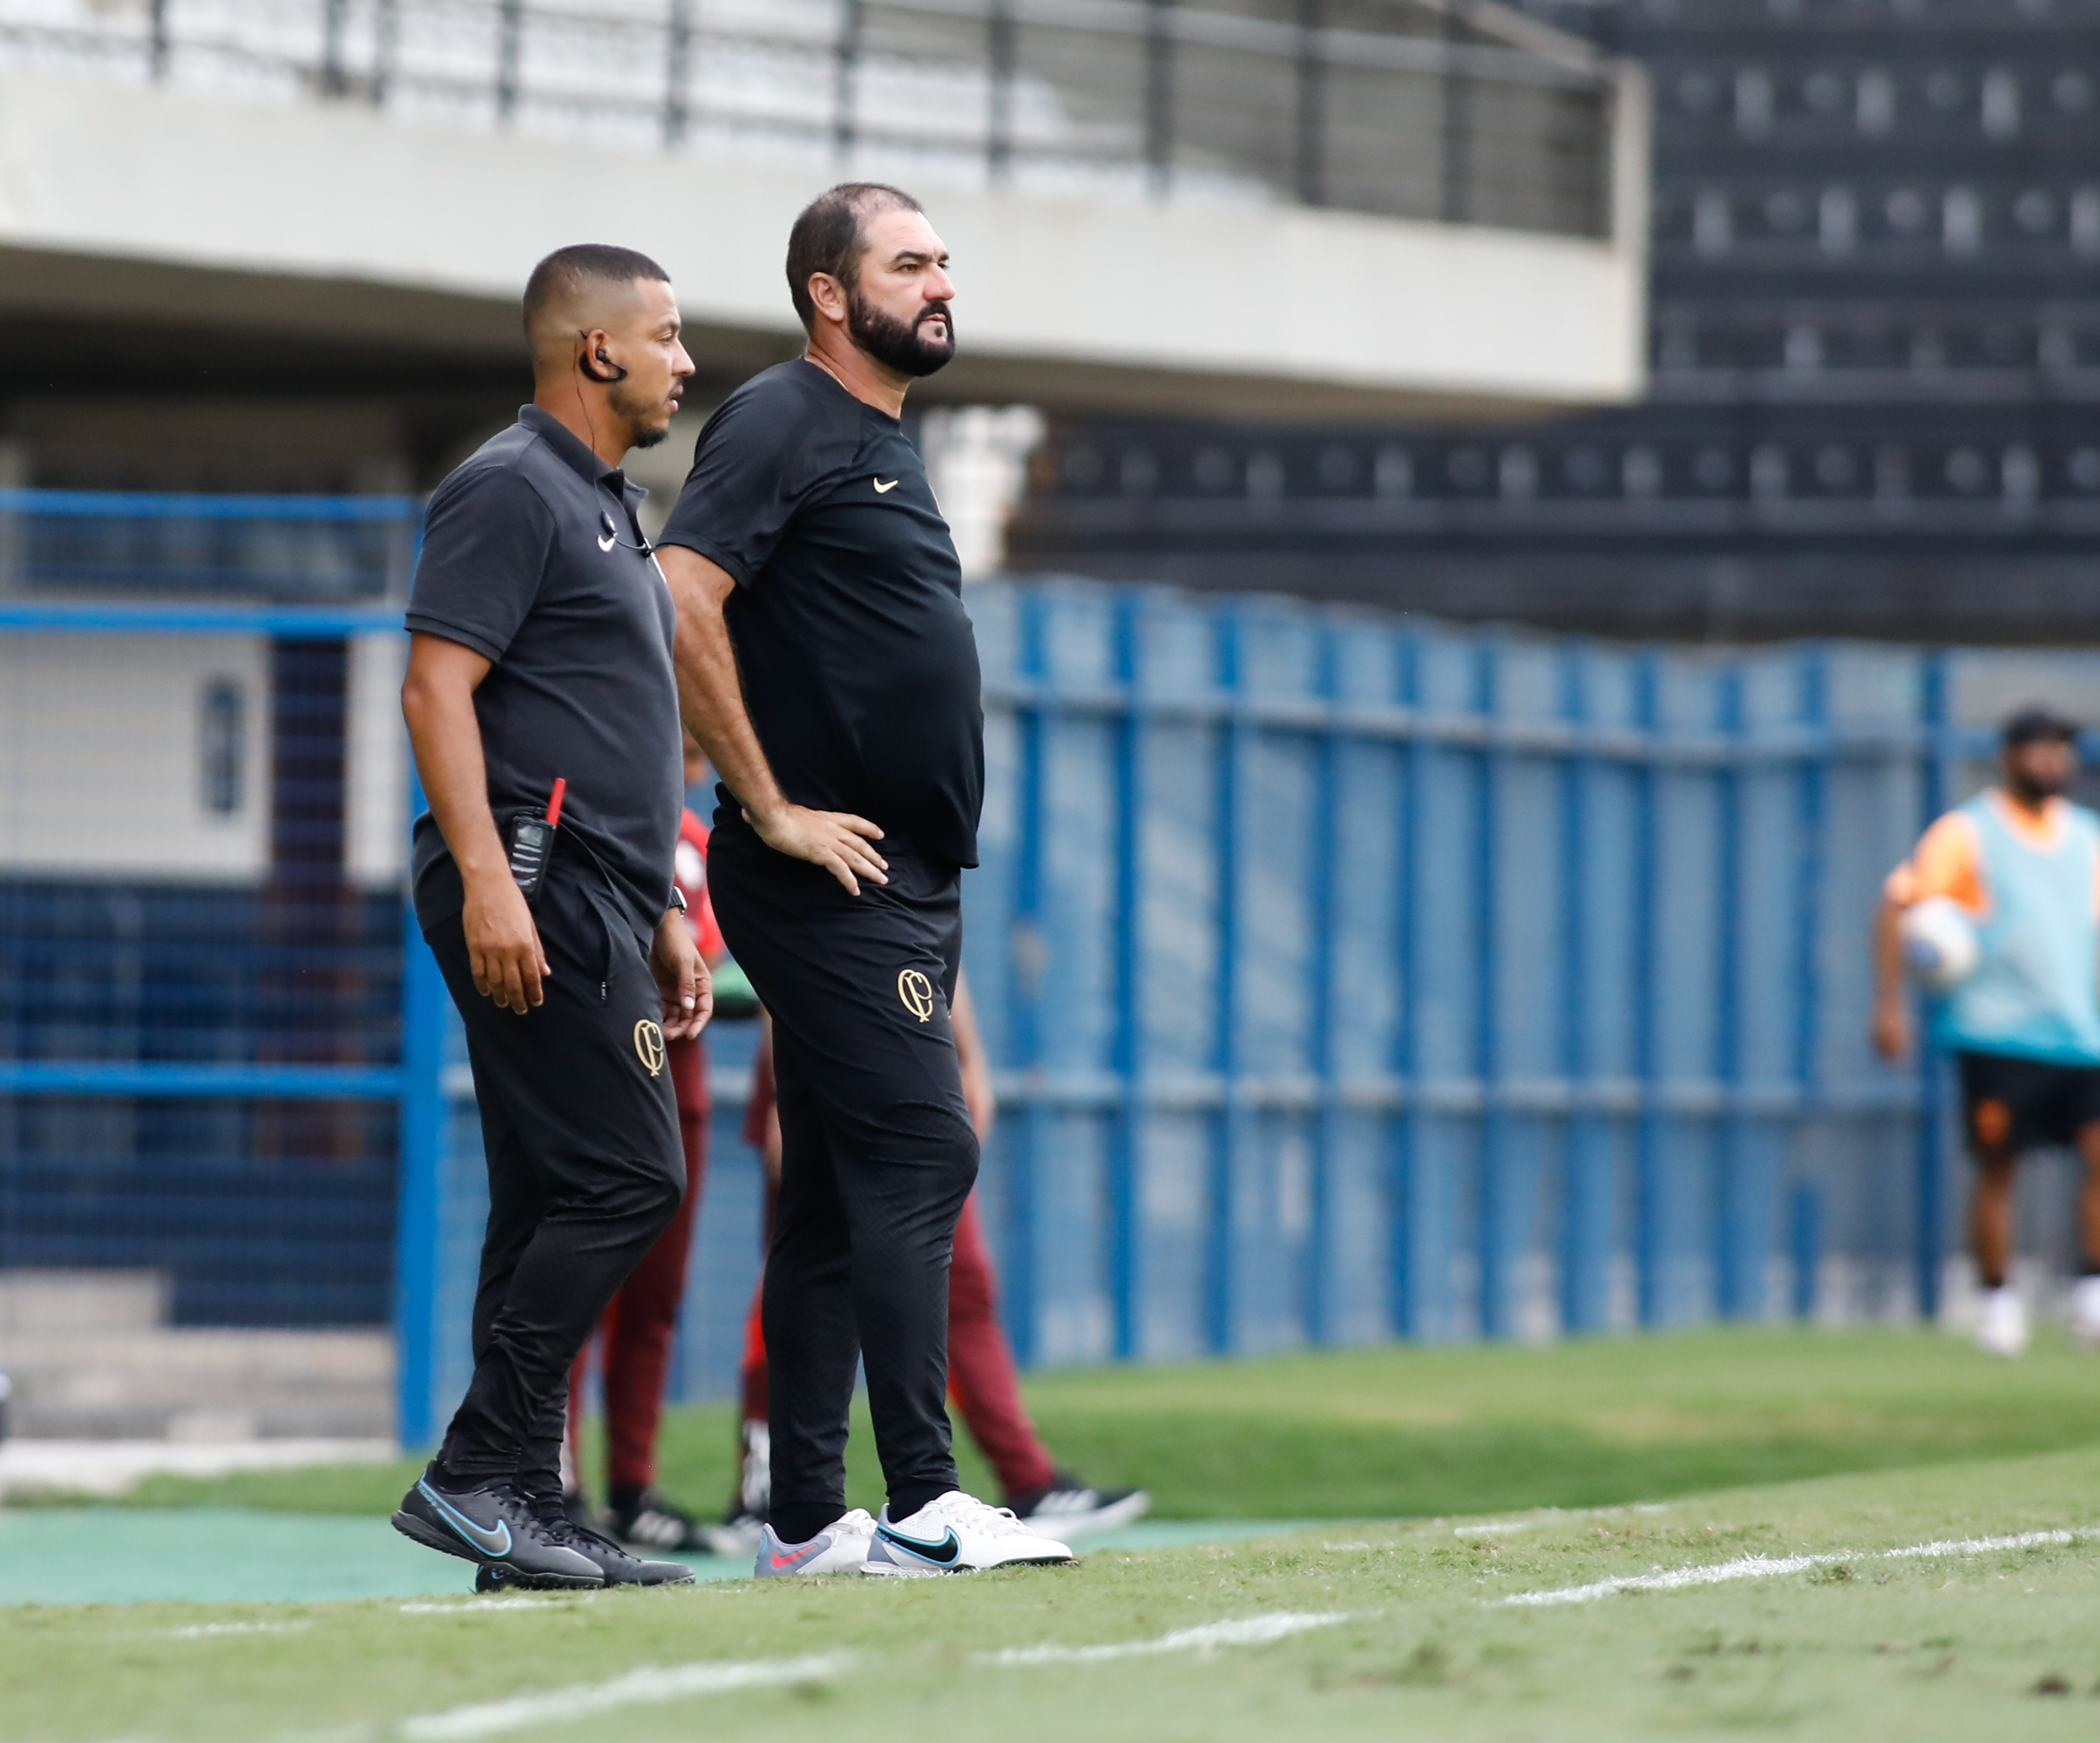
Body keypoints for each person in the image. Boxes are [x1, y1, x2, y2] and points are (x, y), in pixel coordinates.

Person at [658, 182, 1072, 1577]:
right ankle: (926, 1499)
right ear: (830, 295)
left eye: (943, 261)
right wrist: (768, 807)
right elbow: (682, 593)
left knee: (836, 1194)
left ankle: (804, 1526)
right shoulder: (782, 413)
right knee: (919, 1149)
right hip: (832, 877)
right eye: (908, 264)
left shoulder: (881, 438)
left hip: (904, 879)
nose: (940, 283)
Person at [392, 244, 709, 1590]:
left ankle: (520, 1508)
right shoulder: (511, 485)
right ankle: (478, 1470)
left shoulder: (607, 505)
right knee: (633, 1178)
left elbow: (607, 725)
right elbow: (434, 689)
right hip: (533, 877)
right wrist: (488, 881)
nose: (684, 361)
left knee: (543, 1199)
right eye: (666, 335)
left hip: (596, 891)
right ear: (597, 350)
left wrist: (662, 906)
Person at [709, 970, 1150, 1556]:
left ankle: (950, 1488)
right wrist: (780, 1082)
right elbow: (799, 943)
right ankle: (800, 1499)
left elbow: (932, 936)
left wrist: (971, 1057)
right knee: (819, 1259)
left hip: (906, 1042)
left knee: (945, 1281)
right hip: (851, 1042)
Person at [1874, 704, 2100, 1358]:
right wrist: (1889, 1006)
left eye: (2061, 749)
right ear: (2008, 757)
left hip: (2080, 1031)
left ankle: (2091, 1297)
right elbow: (1897, 906)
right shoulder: (1967, 833)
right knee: (2000, 1168)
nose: (2052, 761)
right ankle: (1998, 1305)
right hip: (1995, 1032)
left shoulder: (2087, 837)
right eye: (2039, 749)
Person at [562, 736, 727, 1551]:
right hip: (597, 1071)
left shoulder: (695, 840)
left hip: (678, 1083)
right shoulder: (598, 820)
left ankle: (633, 1486)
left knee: (655, 1296)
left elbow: (713, 961)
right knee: (573, 1285)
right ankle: (554, 1480)